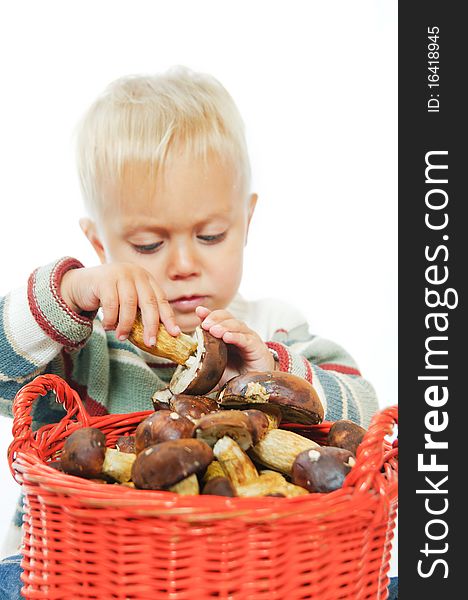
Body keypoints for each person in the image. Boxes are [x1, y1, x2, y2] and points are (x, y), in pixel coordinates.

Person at [0, 66, 394, 599]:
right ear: (99, 245)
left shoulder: (276, 326)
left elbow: (370, 425)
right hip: (83, 569)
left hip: (256, 573)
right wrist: (68, 294)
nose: (184, 264)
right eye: (147, 246)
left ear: (246, 221)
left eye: (210, 235)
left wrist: (272, 374)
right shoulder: (82, 344)